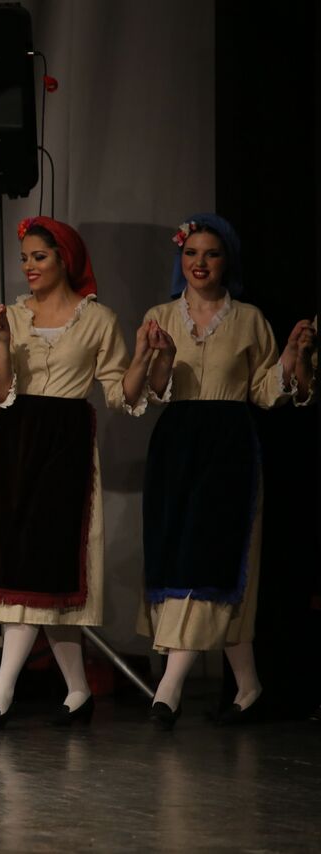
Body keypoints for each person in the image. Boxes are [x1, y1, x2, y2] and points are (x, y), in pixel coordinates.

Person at [137, 214, 314, 729]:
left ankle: (168, 690)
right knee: (180, 557)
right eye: (191, 253)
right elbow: (153, 392)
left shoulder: (249, 319)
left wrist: (288, 358)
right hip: (176, 447)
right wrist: (162, 360)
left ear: (226, 261)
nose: (200, 263)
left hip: (229, 448)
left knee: (211, 558)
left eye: (211, 253)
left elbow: (264, 392)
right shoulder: (160, 316)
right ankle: (249, 686)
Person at [0, 216, 151, 727]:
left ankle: (1, 689)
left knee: (46, 564)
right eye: (25, 258)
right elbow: (0, 393)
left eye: (39, 257)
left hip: (65, 445)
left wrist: (142, 356)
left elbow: (120, 393)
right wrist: (1, 342)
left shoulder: (98, 320)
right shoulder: (14, 315)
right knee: (25, 568)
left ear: (64, 259)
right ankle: (77, 690)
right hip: (16, 440)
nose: (28, 266)